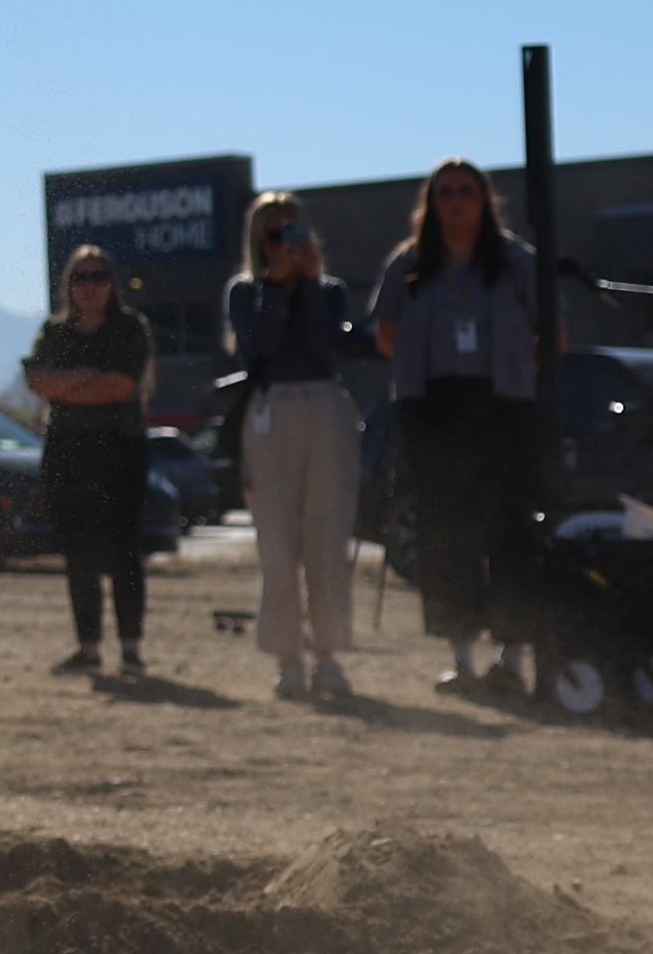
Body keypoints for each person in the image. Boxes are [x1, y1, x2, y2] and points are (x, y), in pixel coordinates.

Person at [366, 156, 547, 674]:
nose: (457, 199)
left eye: (467, 190)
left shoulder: (517, 261)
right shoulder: (409, 263)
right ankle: (460, 655)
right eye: (446, 191)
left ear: (485, 199)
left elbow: (550, 335)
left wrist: (512, 367)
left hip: (503, 407)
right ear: (432, 202)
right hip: (433, 409)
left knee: (507, 529)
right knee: (446, 532)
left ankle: (512, 656)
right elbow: (386, 335)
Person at [227, 187, 369, 704]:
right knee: (279, 543)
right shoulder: (243, 292)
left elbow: (323, 343)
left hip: (325, 404)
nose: (284, 241)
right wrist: (274, 286)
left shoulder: (329, 290)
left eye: (293, 229)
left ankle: (329, 656)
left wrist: (305, 283)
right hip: (269, 410)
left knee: (327, 540)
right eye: (273, 232)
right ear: (257, 239)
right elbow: (259, 346)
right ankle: (287, 657)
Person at [25, 245, 161, 676]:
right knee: (78, 554)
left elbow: (120, 386)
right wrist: (89, 379)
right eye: (80, 277)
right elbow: (36, 380)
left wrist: (66, 388)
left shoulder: (130, 328)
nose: (90, 285)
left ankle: (131, 650)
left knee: (124, 552)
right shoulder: (55, 331)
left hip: (119, 451)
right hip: (67, 453)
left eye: (99, 275)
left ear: (112, 281)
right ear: (69, 283)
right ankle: (88, 649)